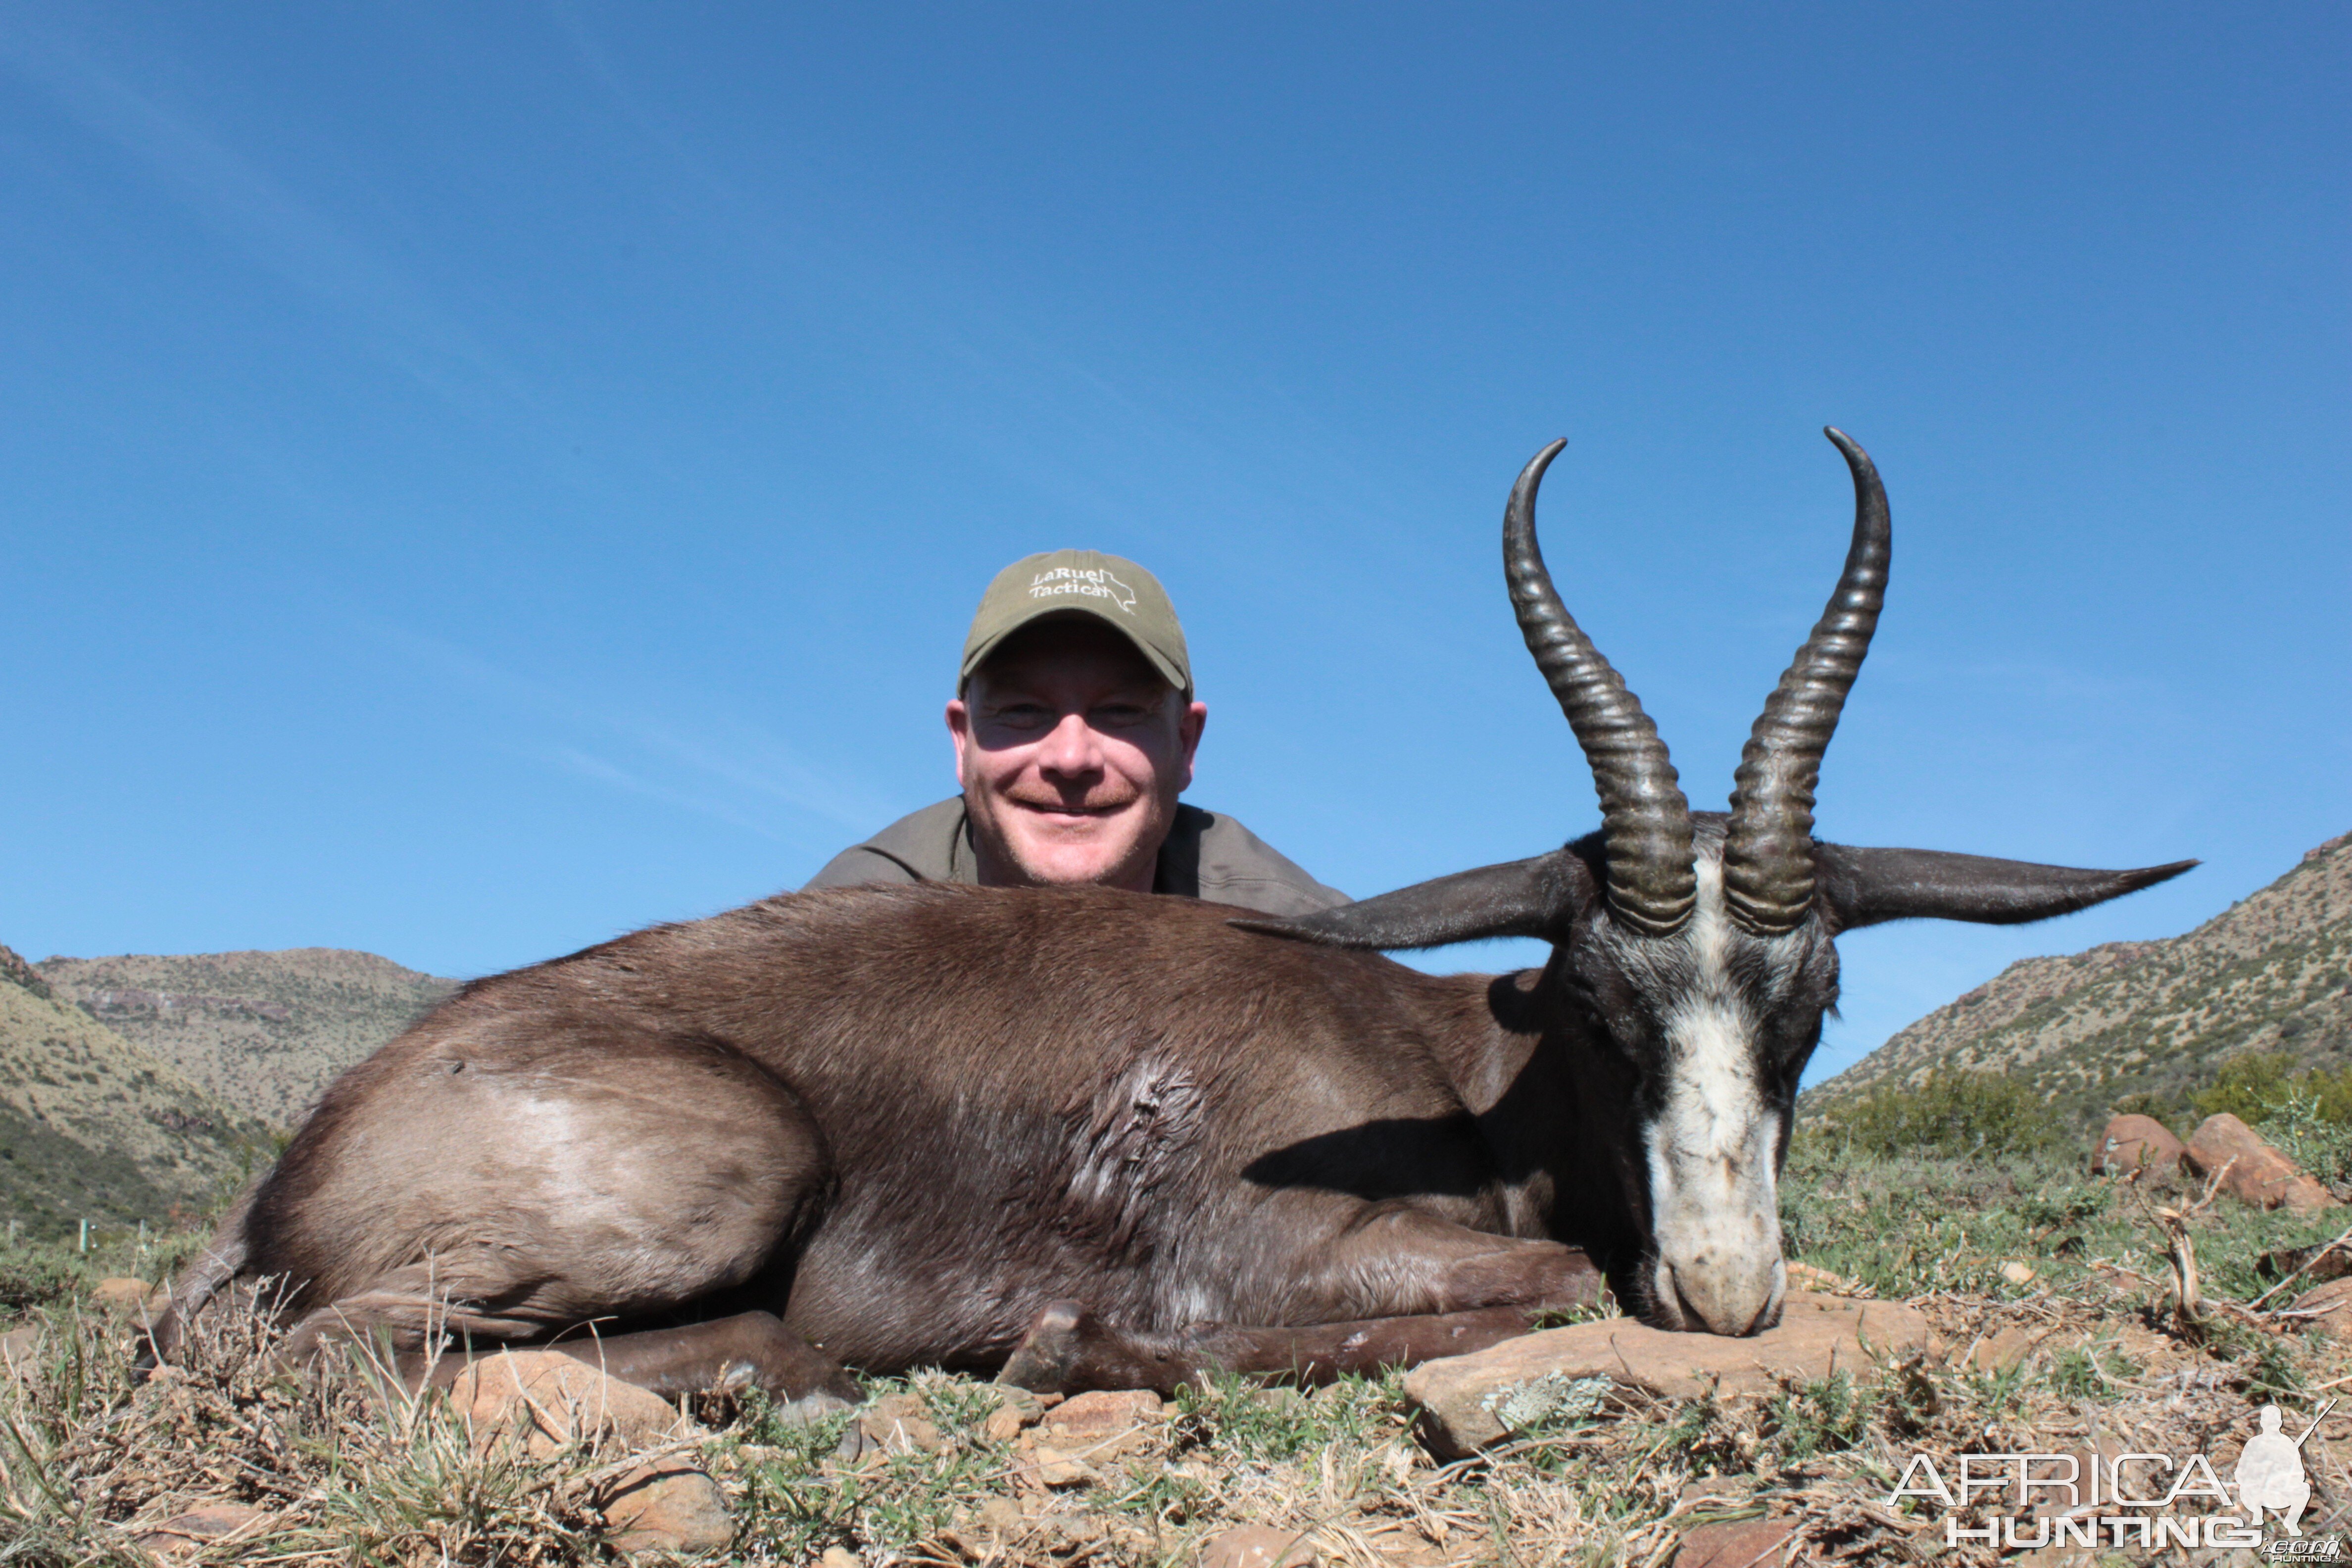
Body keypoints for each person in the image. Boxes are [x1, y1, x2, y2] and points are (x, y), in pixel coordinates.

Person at [804, 549, 1346, 916]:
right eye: (1022, 710)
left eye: (1120, 712)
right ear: (962, 741)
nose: (1070, 757)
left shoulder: (1295, 940)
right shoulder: (845, 934)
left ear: (1186, 743)